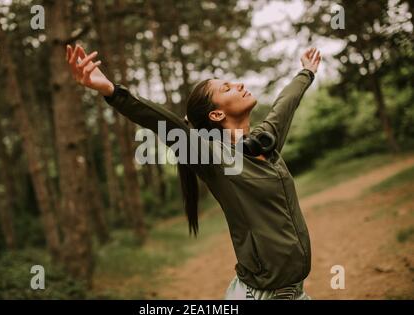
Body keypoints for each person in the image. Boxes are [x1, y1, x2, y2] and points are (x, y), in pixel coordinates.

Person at [66, 44, 321, 300]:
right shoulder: (214, 157)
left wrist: (306, 72)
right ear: (217, 113)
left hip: (294, 293)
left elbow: (285, 104)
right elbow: (165, 124)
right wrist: (112, 91)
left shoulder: (264, 140)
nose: (239, 84)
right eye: (227, 88)